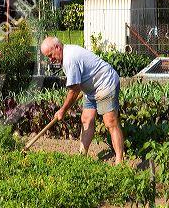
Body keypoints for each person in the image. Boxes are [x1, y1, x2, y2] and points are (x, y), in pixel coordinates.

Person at [40, 37, 124, 165]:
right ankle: (82, 156)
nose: (50, 59)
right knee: (86, 119)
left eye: (51, 55)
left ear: (57, 47)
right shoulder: (65, 55)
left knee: (110, 122)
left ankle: (120, 161)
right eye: (48, 57)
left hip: (105, 83)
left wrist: (63, 110)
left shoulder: (70, 59)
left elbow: (74, 90)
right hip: (91, 89)